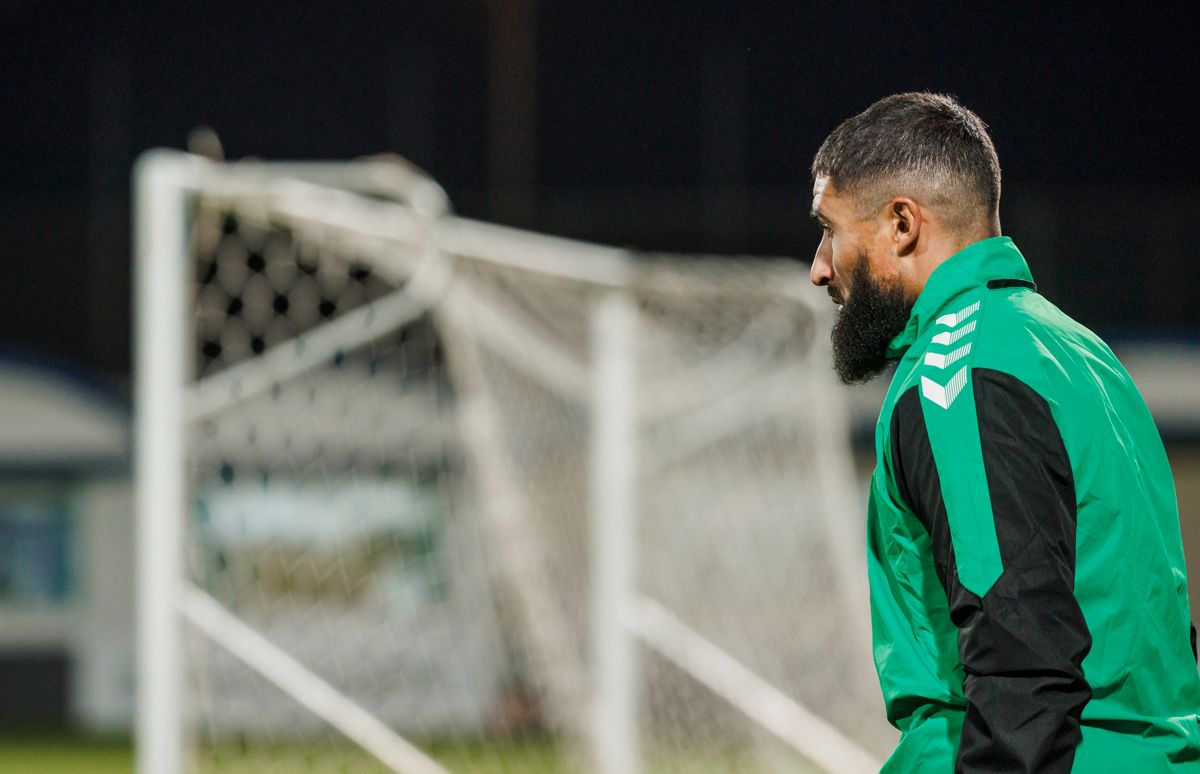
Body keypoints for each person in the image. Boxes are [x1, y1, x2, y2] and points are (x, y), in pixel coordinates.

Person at [809, 92, 1200, 772]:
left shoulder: (957, 370)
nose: (820, 266)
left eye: (830, 229)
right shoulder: (1080, 352)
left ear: (902, 223)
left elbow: (1021, 658)